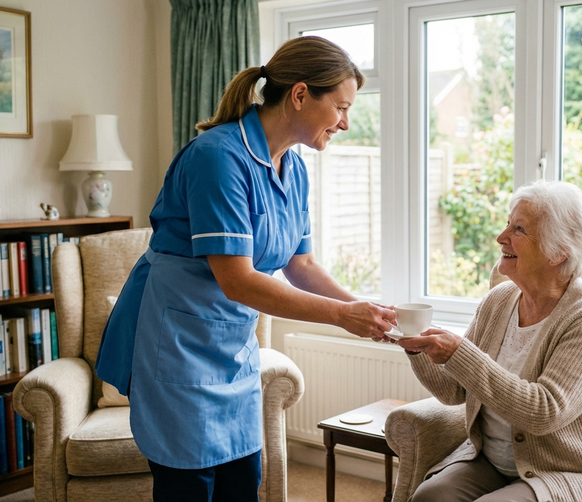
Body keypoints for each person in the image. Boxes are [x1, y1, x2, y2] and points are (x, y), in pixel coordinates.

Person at [94, 36, 397, 502]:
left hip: (233, 349)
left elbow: (301, 264)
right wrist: (341, 316)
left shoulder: (294, 168)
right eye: (340, 107)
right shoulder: (217, 156)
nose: (345, 123)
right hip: (177, 344)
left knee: (242, 484)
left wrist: (362, 308)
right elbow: (237, 279)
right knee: (188, 489)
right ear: (300, 95)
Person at [396, 180, 582, 502]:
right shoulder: (498, 300)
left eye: (518, 229)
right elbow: (455, 391)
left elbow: (544, 412)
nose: (500, 237)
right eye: (508, 223)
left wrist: (459, 353)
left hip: (572, 470)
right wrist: (416, 344)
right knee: (429, 498)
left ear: (559, 251)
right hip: (494, 462)